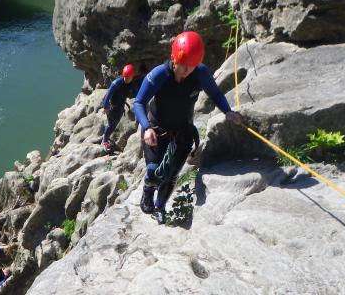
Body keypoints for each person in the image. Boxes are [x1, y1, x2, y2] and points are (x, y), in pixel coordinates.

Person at [133, 31, 241, 224]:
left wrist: (228, 111)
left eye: (190, 68)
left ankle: (160, 206)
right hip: (157, 131)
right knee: (155, 170)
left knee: (172, 174)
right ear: (174, 58)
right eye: (182, 66)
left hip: (182, 133)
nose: (185, 71)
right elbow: (139, 102)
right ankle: (148, 188)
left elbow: (215, 93)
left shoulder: (200, 73)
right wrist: (147, 127)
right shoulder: (159, 75)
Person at [100, 64, 141, 153]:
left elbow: (138, 93)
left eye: (128, 77)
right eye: (125, 77)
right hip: (112, 106)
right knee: (112, 124)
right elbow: (108, 95)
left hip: (120, 106)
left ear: (132, 77)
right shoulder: (117, 83)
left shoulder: (132, 84)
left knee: (114, 124)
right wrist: (106, 106)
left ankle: (105, 134)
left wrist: (140, 102)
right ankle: (105, 140)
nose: (126, 79)